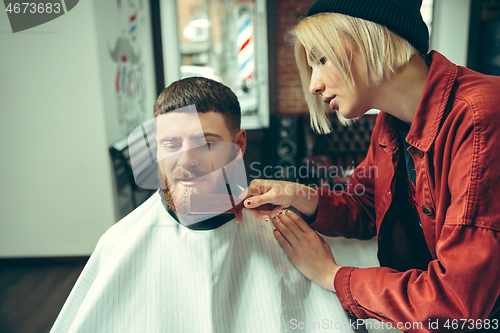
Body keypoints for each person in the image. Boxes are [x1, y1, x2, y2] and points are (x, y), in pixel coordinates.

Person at [242, 0, 500, 332]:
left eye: (321, 59)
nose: (313, 85)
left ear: (367, 36)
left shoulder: (481, 118)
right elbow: (367, 207)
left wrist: (331, 274)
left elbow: (457, 302)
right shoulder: (390, 123)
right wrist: (303, 197)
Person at [49, 77, 385, 333]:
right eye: (171, 143)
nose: (186, 160)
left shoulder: (283, 235)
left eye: (205, 143)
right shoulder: (118, 244)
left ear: (238, 145)